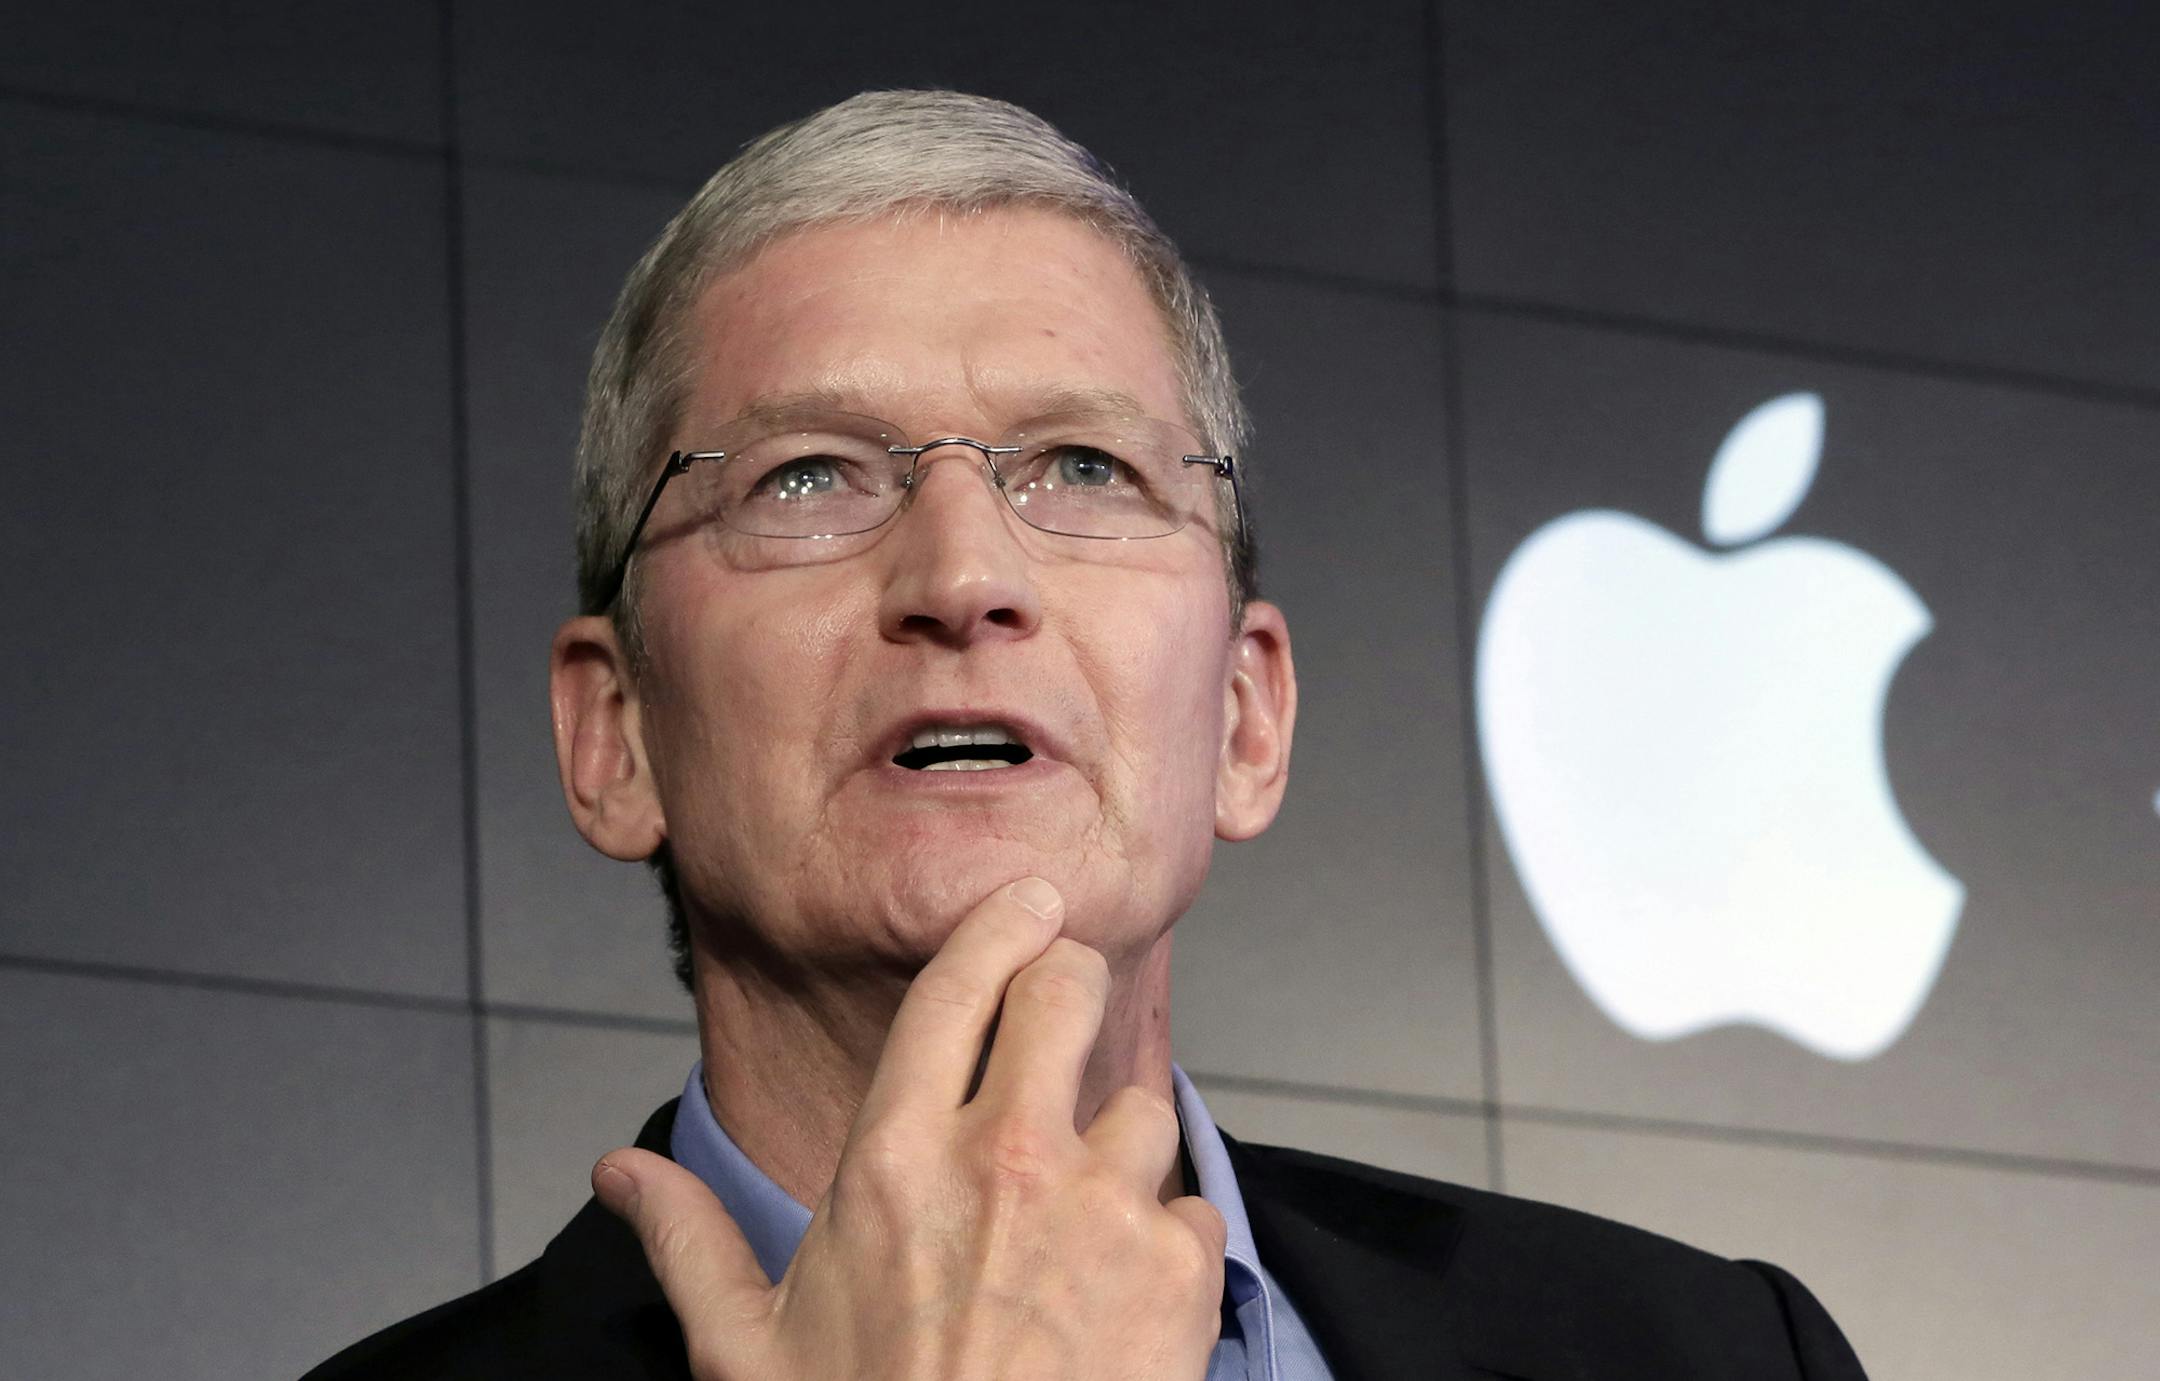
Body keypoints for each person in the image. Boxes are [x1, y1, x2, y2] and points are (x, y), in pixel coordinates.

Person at [306, 90, 1867, 1380]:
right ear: (618, 734)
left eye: (1084, 467)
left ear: (1246, 715)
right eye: (809, 476)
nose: (963, 574)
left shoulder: (1713, 1355)